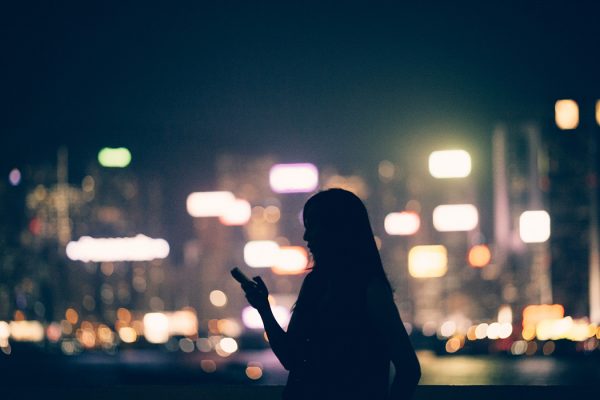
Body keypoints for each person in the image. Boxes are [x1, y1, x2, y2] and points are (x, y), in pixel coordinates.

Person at [240, 188, 421, 400]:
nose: (307, 236)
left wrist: (265, 311)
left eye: (313, 226)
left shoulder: (357, 287)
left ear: (337, 229)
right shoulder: (337, 285)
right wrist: (263, 309)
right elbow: (291, 357)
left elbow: (291, 359)